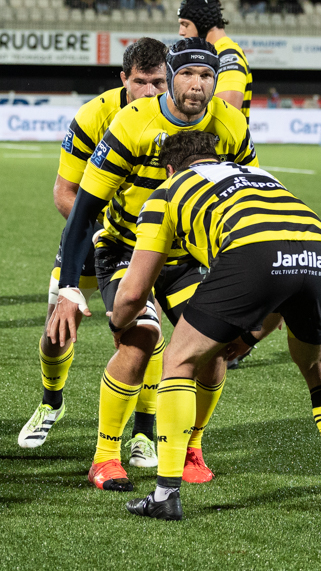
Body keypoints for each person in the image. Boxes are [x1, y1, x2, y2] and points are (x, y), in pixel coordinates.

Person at [47, 38, 257, 493]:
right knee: (140, 340)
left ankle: (191, 447)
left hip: (186, 255)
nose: (197, 86)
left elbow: (248, 196)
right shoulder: (131, 122)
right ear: (171, 75)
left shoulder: (232, 125)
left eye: (206, 76)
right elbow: (83, 209)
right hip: (126, 246)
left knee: (213, 346)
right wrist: (68, 286)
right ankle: (105, 457)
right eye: (187, 75)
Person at [117, 131, 321, 520]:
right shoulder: (259, 175)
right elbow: (286, 261)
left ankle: (164, 495)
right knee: (317, 362)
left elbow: (133, 292)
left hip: (253, 251)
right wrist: (250, 334)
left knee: (178, 360)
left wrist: (119, 322)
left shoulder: (168, 189)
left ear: (168, 167)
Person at [17, 37, 168, 452]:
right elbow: (64, 192)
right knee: (58, 328)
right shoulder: (94, 116)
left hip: (149, 241)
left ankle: (143, 430)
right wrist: (102, 234)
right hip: (95, 233)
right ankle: (51, 402)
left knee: (141, 331)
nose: (151, 93)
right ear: (124, 79)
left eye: (159, 82)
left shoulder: (176, 117)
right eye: (141, 82)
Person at [177, 0, 252, 118]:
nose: (181, 32)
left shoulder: (228, 57)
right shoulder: (213, 55)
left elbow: (225, 117)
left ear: (203, 23)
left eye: (185, 24)